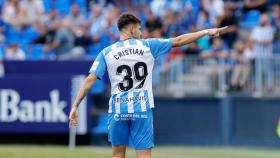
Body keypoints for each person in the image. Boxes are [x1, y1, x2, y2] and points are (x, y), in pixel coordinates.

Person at [69, 12, 227, 158]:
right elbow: (179, 40)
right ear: (131, 29)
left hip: (118, 109)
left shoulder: (106, 52)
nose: (141, 32)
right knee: (144, 156)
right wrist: (206, 32)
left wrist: (75, 106)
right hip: (141, 109)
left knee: (117, 155)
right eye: (139, 29)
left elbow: (90, 79)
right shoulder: (147, 46)